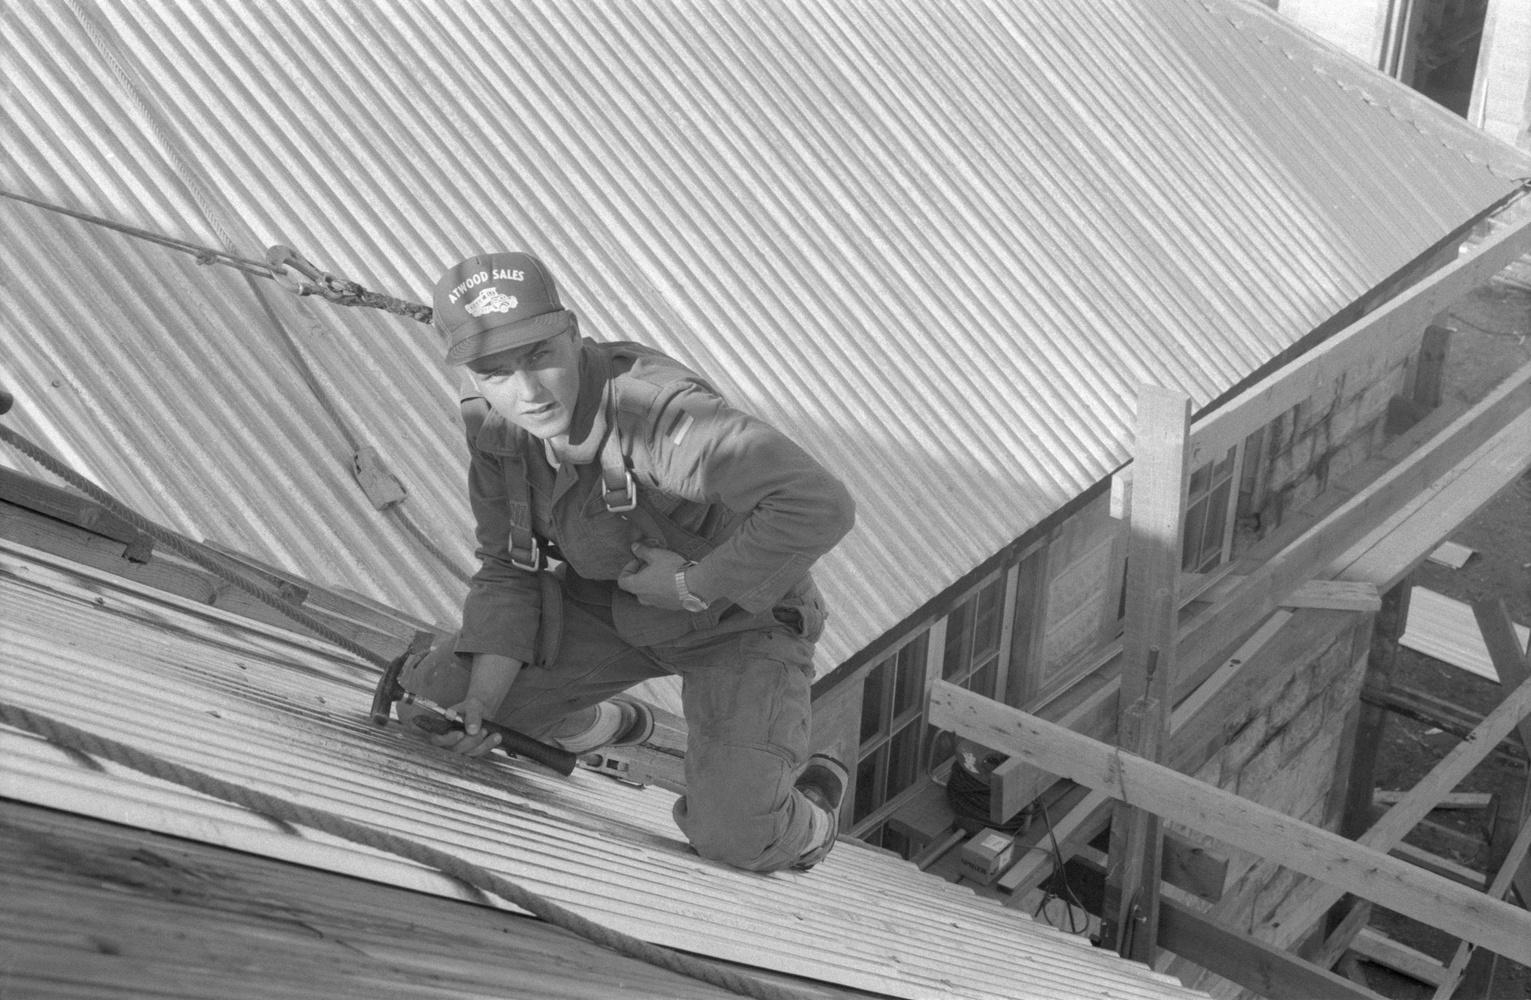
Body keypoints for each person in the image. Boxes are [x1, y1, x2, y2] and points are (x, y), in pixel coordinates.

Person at [397, 250, 856, 873]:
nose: (526, 392)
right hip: (608, 608)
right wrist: (481, 703)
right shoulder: (494, 427)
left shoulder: (659, 415)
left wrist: (695, 584)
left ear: (572, 332)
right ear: (472, 375)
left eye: (539, 357)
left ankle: (816, 814)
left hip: (739, 626)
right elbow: (510, 568)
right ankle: (602, 724)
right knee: (436, 704)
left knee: (738, 837)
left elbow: (817, 503)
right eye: (495, 371)